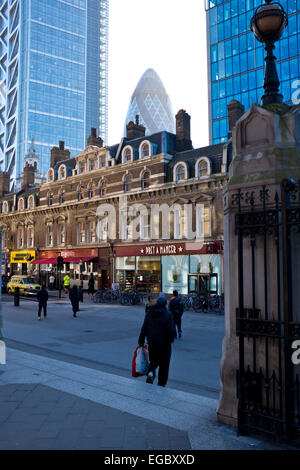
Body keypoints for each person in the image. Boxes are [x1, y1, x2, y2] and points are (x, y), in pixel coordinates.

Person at [138, 296, 175, 387]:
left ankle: (150, 372)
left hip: (152, 342)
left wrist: (141, 340)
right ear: (165, 304)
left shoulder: (149, 313)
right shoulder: (168, 315)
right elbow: (171, 331)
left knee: (154, 360)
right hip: (164, 344)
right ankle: (162, 382)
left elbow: (144, 328)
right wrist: (170, 339)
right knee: (164, 363)